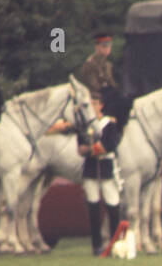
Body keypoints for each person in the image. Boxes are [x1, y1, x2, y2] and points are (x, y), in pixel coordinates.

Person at [50, 87, 123, 254]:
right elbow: (80, 148)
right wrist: (91, 149)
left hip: (105, 167)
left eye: (95, 104)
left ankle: (115, 242)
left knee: (113, 205)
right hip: (91, 169)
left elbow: (109, 145)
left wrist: (91, 149)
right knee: (93, 206)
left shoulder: (109, 124)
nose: (93, 106)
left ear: (101, 106)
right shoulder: (85, 126)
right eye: (91, 103)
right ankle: (96, 244)